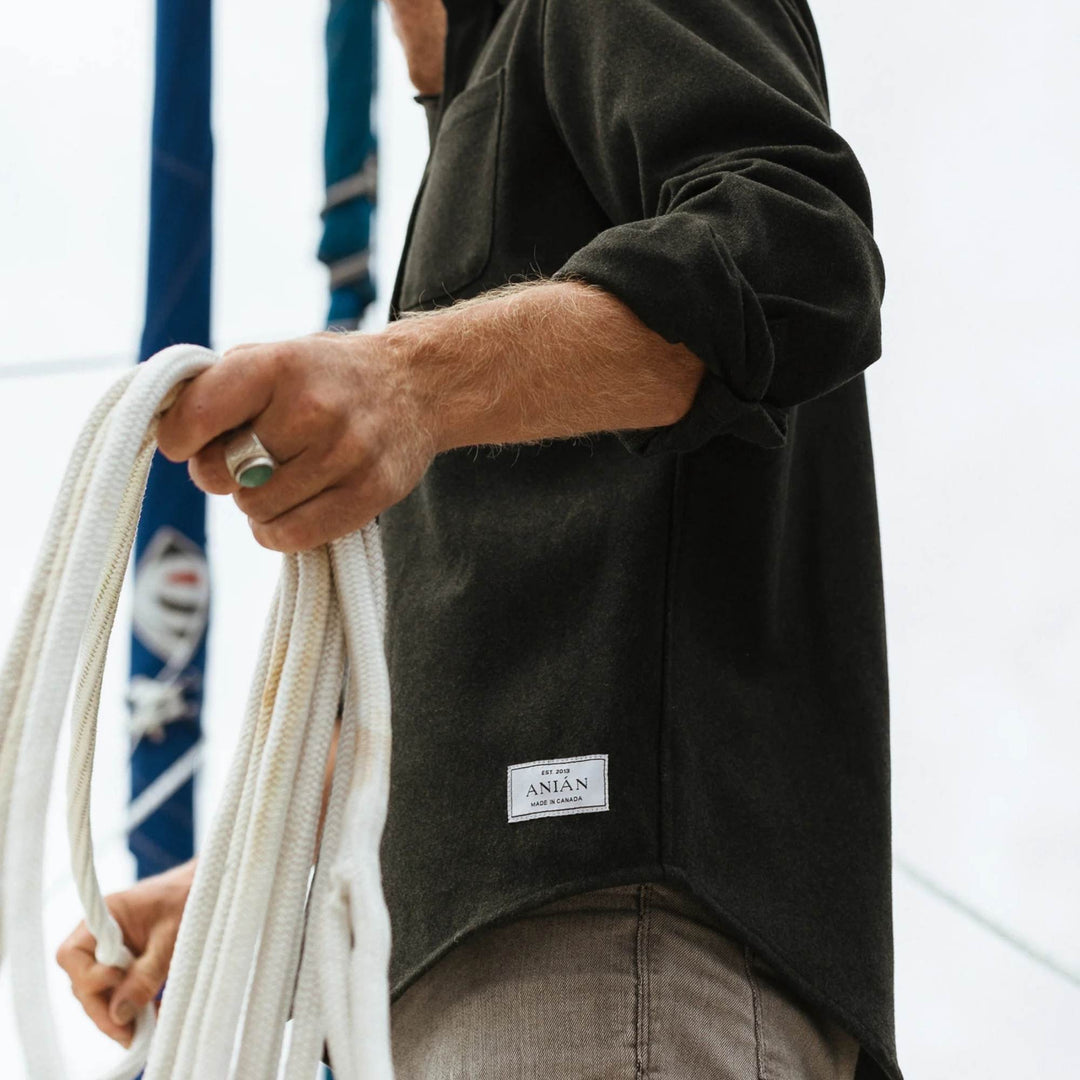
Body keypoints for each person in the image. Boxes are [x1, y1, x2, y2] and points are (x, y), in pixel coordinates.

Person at [57, 0, 896, 1076]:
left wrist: (410, 383)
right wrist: (256, 876)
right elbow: (476, 638)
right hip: (488, 968)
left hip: (600, 938)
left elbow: (799, 250)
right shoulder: (476, 126)